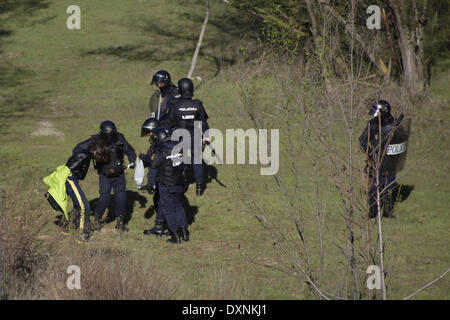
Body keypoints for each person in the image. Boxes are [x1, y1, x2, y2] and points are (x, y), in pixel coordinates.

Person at [75, 120, 136, 232]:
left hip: (114, 174)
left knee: (114, 197)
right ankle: (113, 221)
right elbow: (130, 151)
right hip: (110, 174)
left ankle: (107, 221)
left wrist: (78, 158)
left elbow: (79, 147)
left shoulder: (100, 139)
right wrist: (132, 160)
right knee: (112, 197)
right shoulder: (118, 138)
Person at [43, 140, 109, 242]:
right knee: (84, 206)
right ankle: (82, 236)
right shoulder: (84, 155)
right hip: (70, 179)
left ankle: (67, 228)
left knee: (77, 205)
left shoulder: (86, 153)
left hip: (71, 179)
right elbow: (69, 169)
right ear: (96, 151)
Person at [161, 77, 210, 196]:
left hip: (180, 138)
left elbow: (168, 123)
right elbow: (203, 123)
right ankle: (199, 187)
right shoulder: (198, 105)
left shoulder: (175, 105)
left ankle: (181, 184)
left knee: (179, 160)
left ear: (180, 90)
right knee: (197, 161)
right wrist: (206, 136)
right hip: (195, 137)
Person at [145, 127, 189, 243]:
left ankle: (175, 235)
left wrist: (150, 184)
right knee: (179, 206)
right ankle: (184, 232)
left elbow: (153, 169)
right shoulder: (179, 147)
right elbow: (185, 165)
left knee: (168, 209)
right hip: (179, 182)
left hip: (166, 184)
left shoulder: (160, 151)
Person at [359, 100, 398, 219]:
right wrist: (371, 153)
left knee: (389, 185)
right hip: (375, 159)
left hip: (389, 160)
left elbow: (400, 142)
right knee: (373, 187)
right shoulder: (372, 124)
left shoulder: (394, 124)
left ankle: (388, 211)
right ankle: (372, 212)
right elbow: (362, 140)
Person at [138, 117, 170, 237]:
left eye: (150, 133)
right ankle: (160, 225)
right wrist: (144, 159)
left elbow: (155, 165)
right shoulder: (159, 143)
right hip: (166, 178)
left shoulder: (160, 146)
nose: (149, 136)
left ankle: (163, 227)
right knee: (158, 200)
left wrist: (150, 184)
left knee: (162, 201)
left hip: (165, 178)